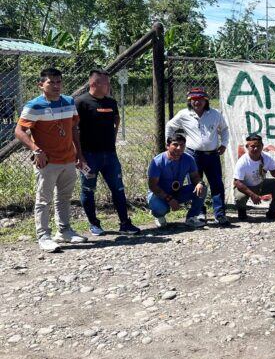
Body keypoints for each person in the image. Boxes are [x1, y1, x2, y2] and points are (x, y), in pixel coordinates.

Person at [14, 68, 88, 252]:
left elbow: (74, 130)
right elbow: (19, 131)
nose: (56, 86)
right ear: (41, 85)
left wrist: (79, 154)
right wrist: (36, 150)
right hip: (47, 162)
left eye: (58, 82)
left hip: (68, 159)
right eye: (51, 82)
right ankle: (44, 236)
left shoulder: (69, 102)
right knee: (43, 200)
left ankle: (64, 231)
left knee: (64, 197)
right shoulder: (34, 105)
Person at [76, 69, 140, 235]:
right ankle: (94, 224)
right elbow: (73, 130)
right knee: (88, 190)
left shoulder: (111, 102)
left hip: (110, 155)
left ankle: (125, 223)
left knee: (118, 188)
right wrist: (79, 155)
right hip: (89, 156)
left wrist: (112, 140)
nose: (109, 86)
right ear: (93, 84)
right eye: (105, 83)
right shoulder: (80, 103)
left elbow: (116, 121)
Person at [165, 87, 230, 226]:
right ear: (189, 101)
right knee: (196, 184)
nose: (197, 102)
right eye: (193, 100)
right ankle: (199, 213)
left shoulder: (215, 114)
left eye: (200, 99)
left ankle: (220, 214)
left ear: (206, 100)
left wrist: (224, 143)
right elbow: (169, 126)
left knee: (217, 184)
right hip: (192, 155)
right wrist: (170, 144)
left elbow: (224, 129)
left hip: (212, 154)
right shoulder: (184, 114)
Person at [147, 133, 207, 228]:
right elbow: (152, 186)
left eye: (182, 145)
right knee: (159, 208)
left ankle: (191, 218)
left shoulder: (188, 159)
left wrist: (200, 183)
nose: (179, 148)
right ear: (167, 146)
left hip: (177, 192)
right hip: (159, 195)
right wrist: (169, 199)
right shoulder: (158, 161)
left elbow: (195, 177)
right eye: (175, 144)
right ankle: (159, 216)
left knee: (202, 188)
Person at [233, 134, 275, 221]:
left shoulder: (267, 158)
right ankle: (242, 213)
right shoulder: (242, 162)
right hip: (246, 187)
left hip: (260, 185)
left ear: (262, 146)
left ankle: (272, 212)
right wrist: (252, 195)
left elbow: (274, 174)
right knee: (239, 196)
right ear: (247, 147)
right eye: (253, 146)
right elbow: (237, 182)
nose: (256, 149)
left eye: (258, 146)